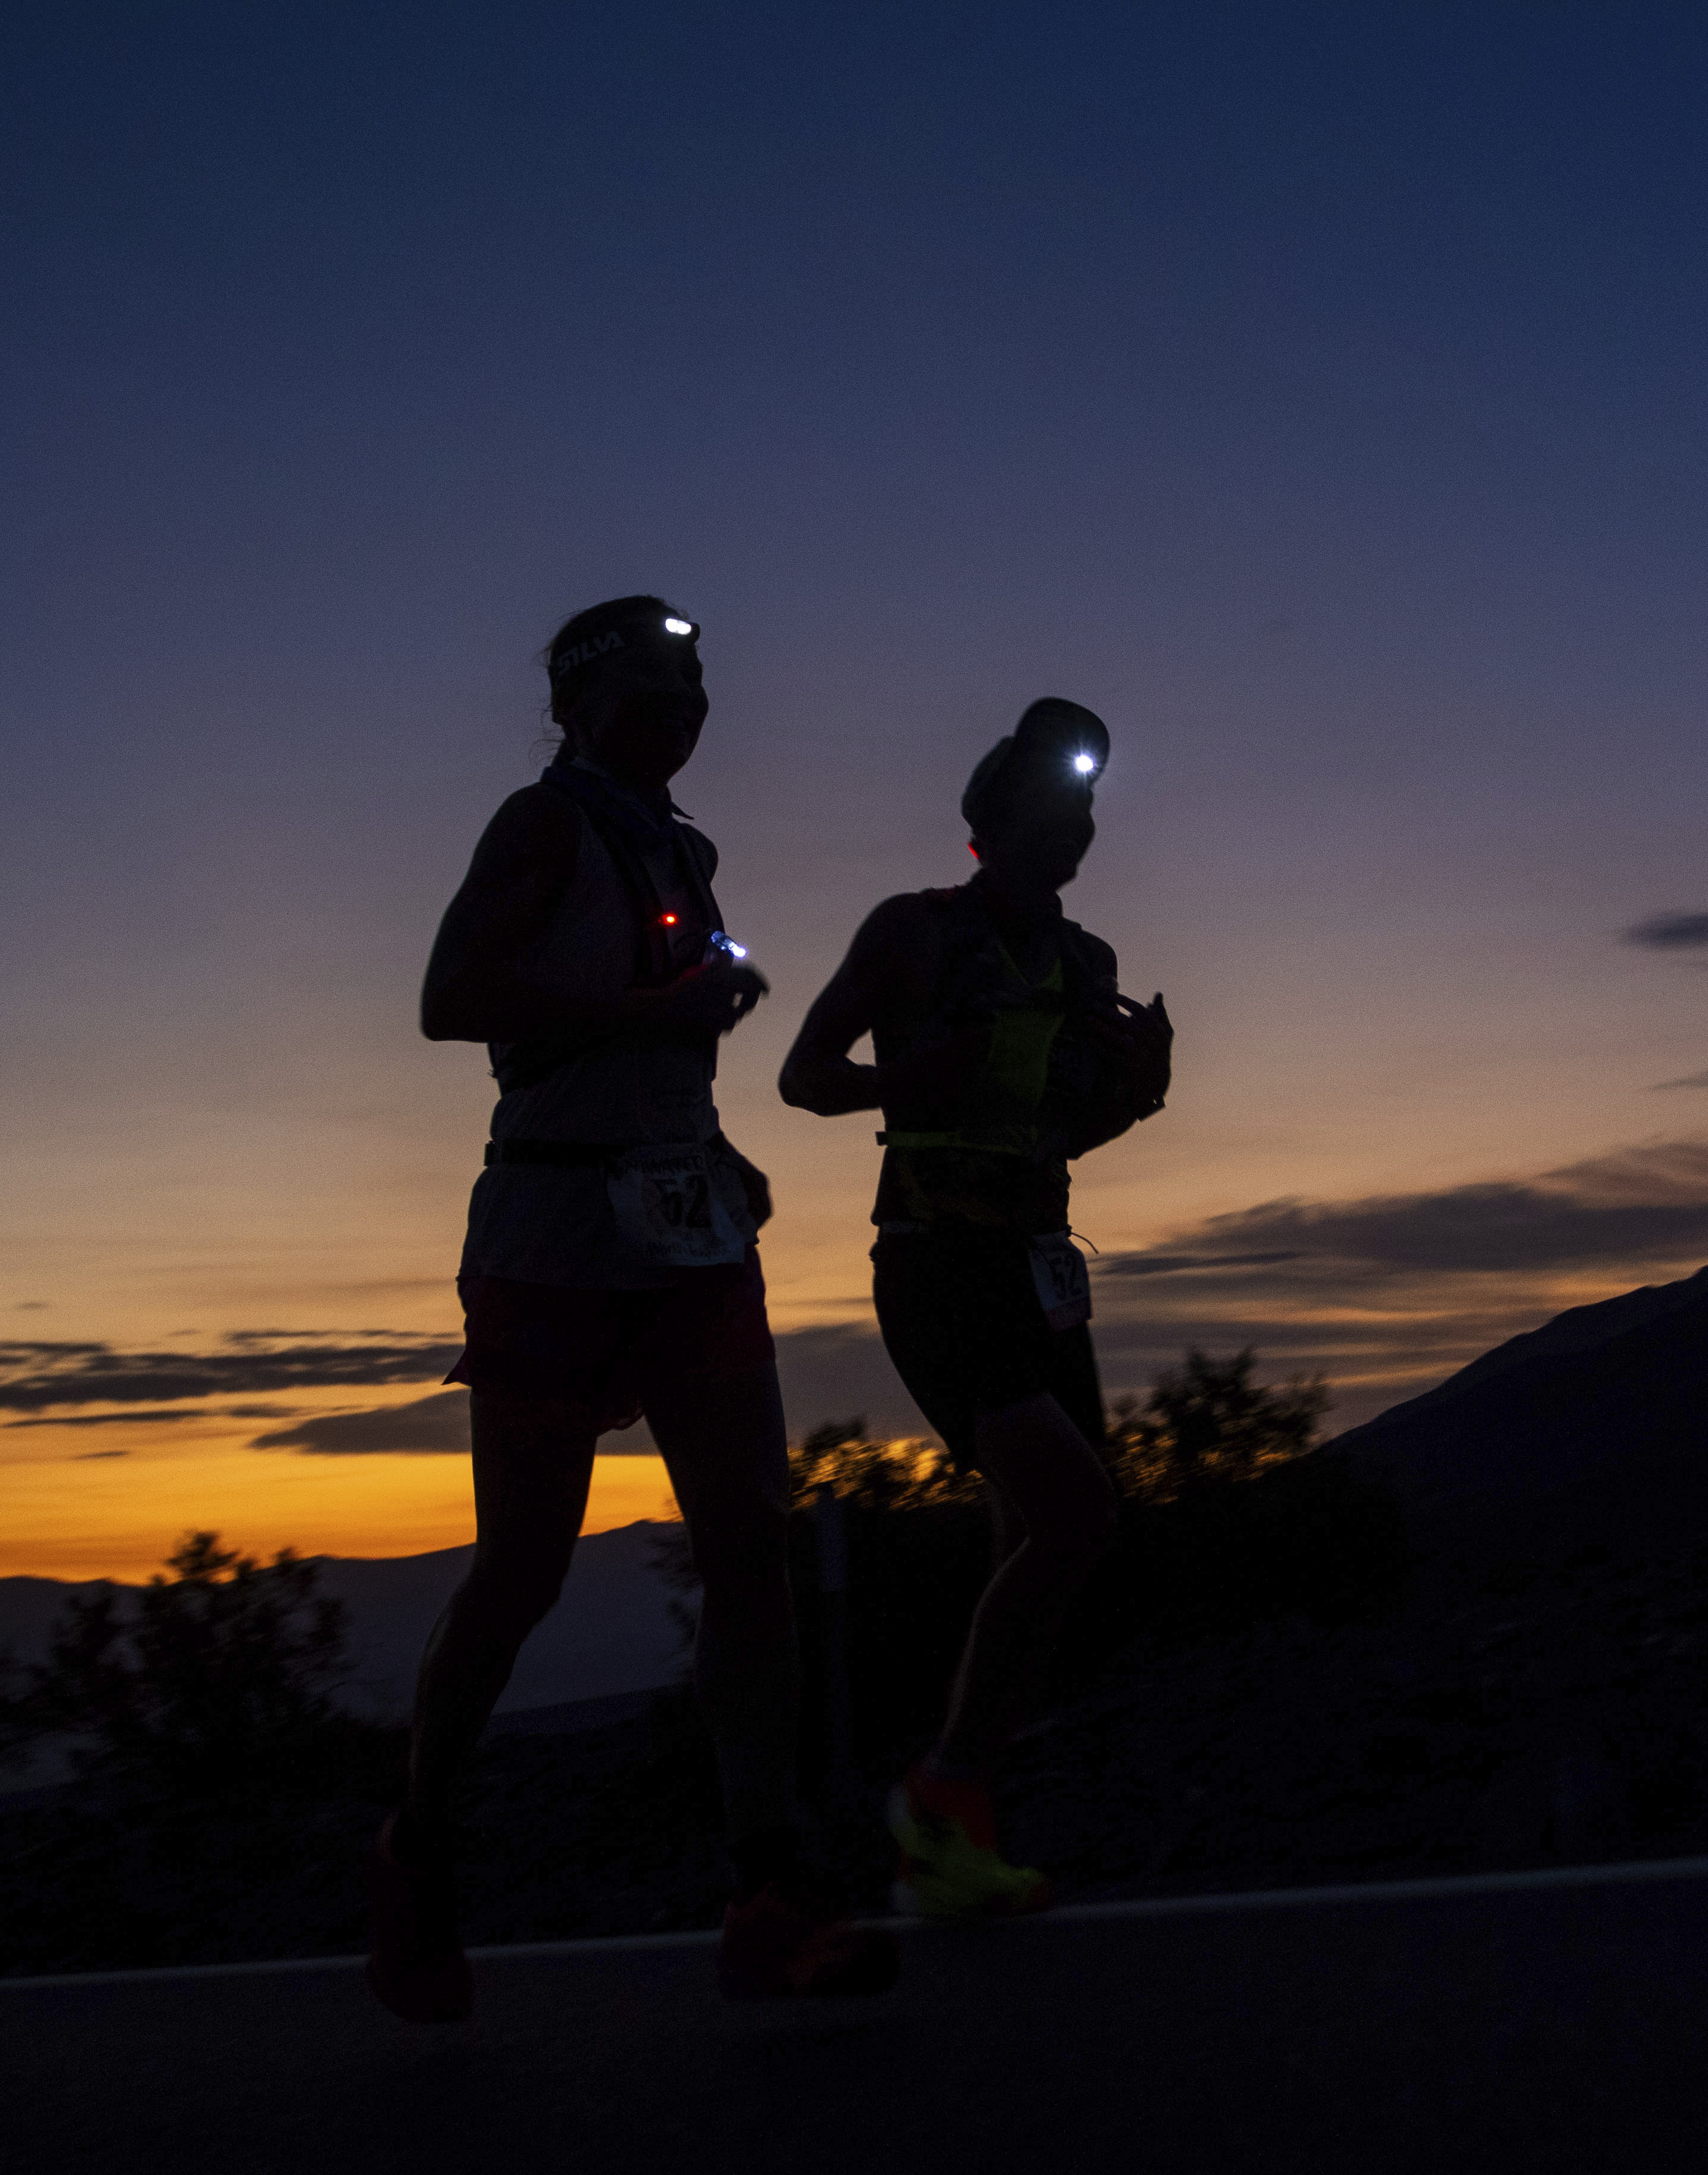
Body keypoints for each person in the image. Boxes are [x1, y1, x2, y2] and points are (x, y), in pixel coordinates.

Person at [370, 594, 896, 2022]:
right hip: (550, 1233)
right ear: (583, 704)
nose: (689, 705)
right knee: (524, 1572)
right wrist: (653, 1021)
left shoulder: (686, 852)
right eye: (660, 684)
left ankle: (767, 1892)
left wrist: (711, 1138)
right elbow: (451, 997)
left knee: (751, 1548)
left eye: (699, 683)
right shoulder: (540, 826)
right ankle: (419, 1850)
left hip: (686, 1232)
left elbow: (657, 1043)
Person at [779, 696, 1172, 1919]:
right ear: (990, 822)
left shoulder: (1088, 964)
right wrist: (913, 1077)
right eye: (1057, 802)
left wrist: (1139, 1098)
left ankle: (952, 1838)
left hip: (1039, 1270)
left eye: (1087, 804)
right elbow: (804, 1077)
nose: (1079, 822)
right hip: (937, 1262)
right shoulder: (914, 931)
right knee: (1076, 1517)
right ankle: (939, 1791)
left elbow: (1063, 1134)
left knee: (1036, 1540)